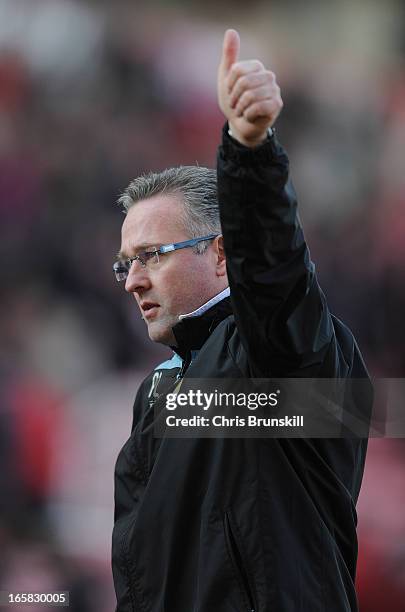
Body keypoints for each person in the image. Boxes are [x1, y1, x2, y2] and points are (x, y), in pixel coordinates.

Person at [111, 29, 371, 612]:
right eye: (125, 264)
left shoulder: (279, 350)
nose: (132, 280)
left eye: (151, 255)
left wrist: (249, 150)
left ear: (224, 253)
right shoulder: (155, 395)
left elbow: (274, 270)